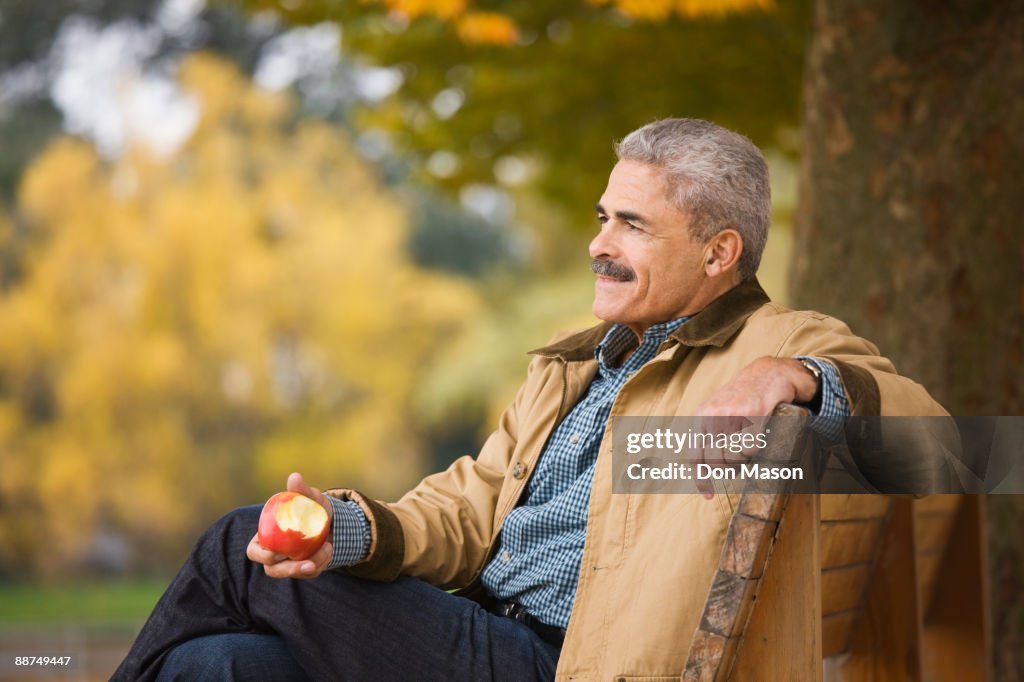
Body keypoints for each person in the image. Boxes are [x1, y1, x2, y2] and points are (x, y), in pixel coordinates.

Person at [113, 118, 947, 681]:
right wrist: (351, 529)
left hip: (564, 662)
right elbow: (473, 508)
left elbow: (950, 449)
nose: (598, 244)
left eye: (632, 226)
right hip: (477, 629)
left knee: (233, 545)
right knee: (215, 665)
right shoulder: (580, 366)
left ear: (721, 252)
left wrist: (800, 378)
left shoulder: (777, 340)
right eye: (601, 217)